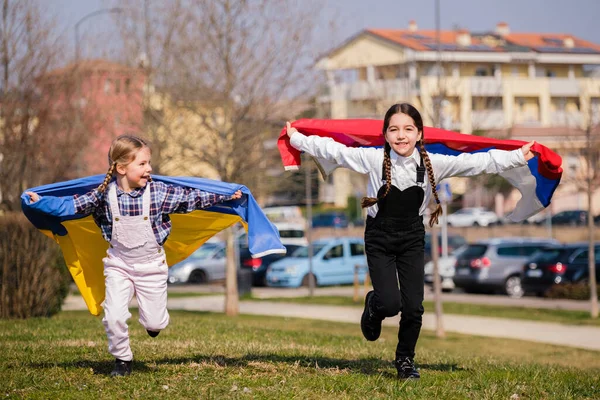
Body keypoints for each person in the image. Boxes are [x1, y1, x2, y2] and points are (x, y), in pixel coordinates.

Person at [285, 103, 534, 379]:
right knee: (391, 304)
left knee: (414, 306)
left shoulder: (433, 163)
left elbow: (477, 163)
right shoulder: (372, 158)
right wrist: (297, 138)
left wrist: (517, 157)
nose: (401, 136)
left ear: (419, 134)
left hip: (412, 238)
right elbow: (334, 151)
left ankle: (405, 360)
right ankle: (374, 306)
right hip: (378, 237)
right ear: (385, 134)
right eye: (394, 130)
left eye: (408, 129)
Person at [25, 134, 242, 377]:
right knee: (114, 315)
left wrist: (224, 195)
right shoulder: (103, 195)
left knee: (155, 323)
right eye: (142, 164)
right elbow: (72, 206)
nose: (149, 169)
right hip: (119, 264)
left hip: (152, 266)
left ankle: (152, 325)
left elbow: (193, 198)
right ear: (121, 168)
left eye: (149, 163)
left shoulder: (159, 193)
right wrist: (41, 203)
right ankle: (122, 359)